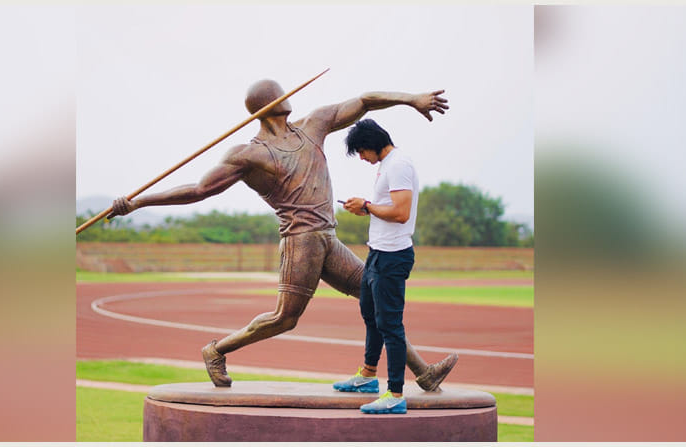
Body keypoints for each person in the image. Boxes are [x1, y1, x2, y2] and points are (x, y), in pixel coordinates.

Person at [108, 79, 457, 390]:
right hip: (300, 241)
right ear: (267, 106)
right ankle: (216, 350)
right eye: (278, 94)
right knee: (285, 319)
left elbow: (365, 101)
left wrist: (411, 99)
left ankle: (423, 373)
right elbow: (199, 190)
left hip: (328, 239)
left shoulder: (314, 125)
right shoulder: (250, 154)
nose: (287, 96)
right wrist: (138, 202)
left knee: (376, 300)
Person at [332, 119, 457, 414]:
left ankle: (396, 394)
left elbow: (401, 213)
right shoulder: (387, 165)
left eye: (361, 151)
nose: (361, 157)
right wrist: (366, 209)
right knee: (370, 313)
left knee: (390, 325)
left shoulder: (399, 164)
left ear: (372, 144)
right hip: (377, 252)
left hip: (393, 256)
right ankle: (367, 376)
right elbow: (387, 208)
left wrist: (366, 206)